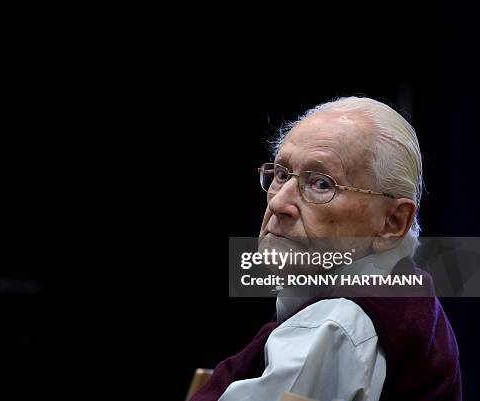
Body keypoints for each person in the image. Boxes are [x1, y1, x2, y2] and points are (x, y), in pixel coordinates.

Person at [191, 97, 461, 401]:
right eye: (281, 174)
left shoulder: (338, 324)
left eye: (321, 183)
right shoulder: (401, 293)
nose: (278, 203)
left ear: (393, 221)